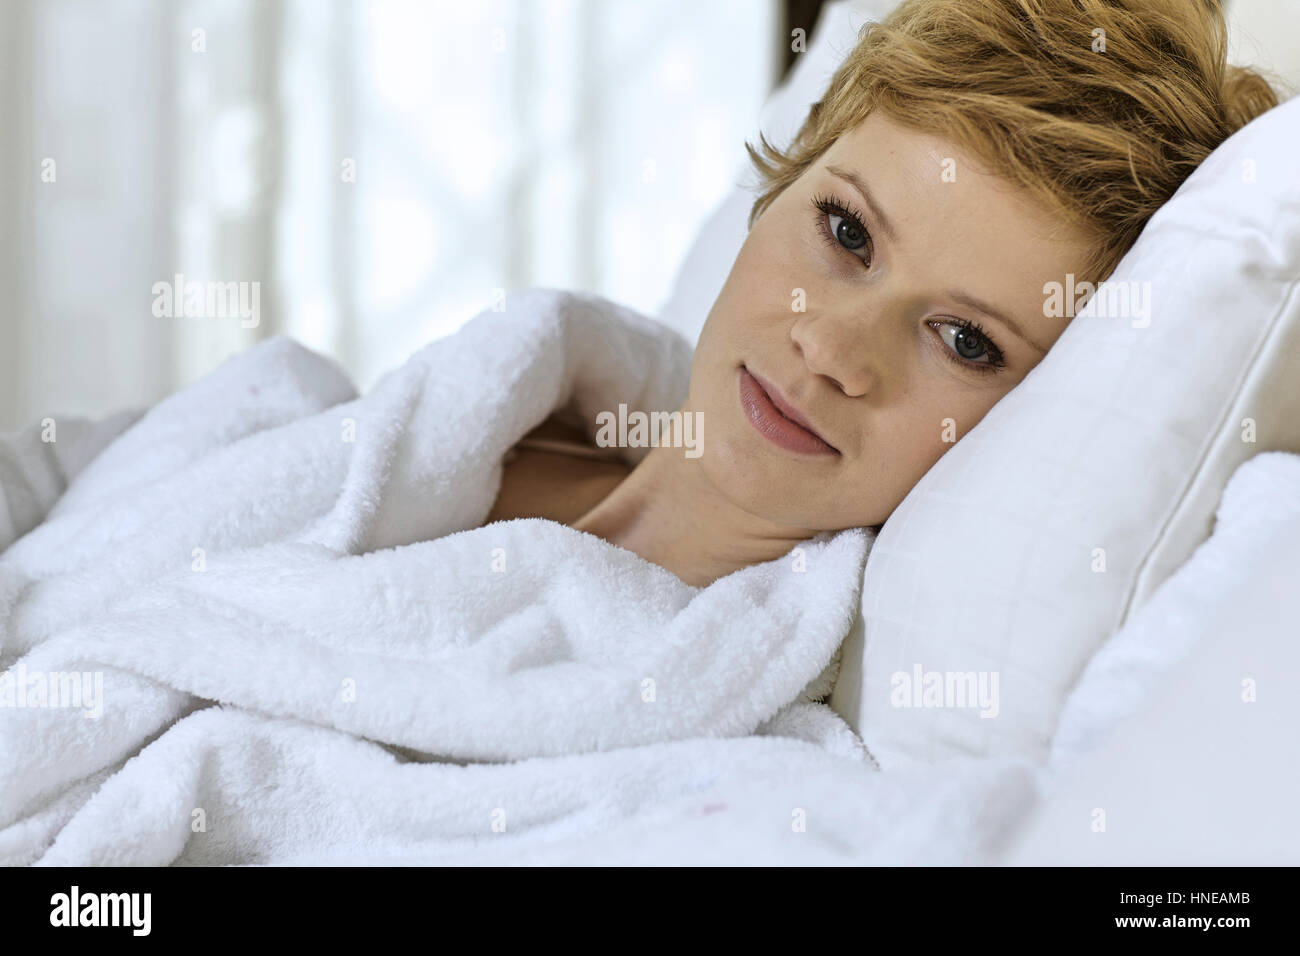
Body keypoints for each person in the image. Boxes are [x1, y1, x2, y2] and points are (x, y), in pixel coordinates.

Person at [488, 0, 1279, 587]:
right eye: (847, 232)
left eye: (966, 340)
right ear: (787, 180)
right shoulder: (479, 437)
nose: (831, 350)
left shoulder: (762, 763)